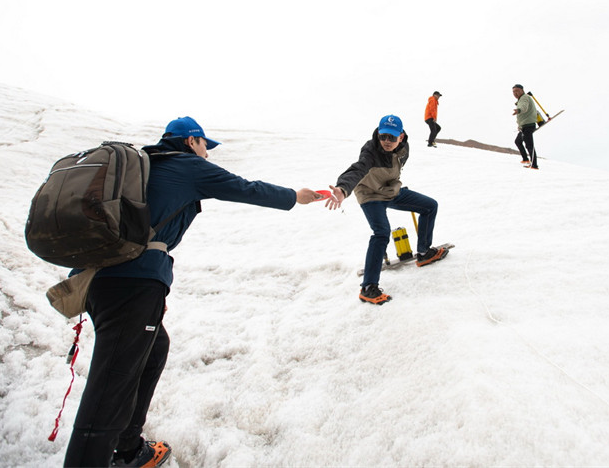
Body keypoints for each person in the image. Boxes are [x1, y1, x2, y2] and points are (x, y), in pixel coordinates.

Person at [63, 116, 320, 467]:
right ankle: (104, 457)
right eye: (204, 145)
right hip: (130, 286)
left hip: (103, 280)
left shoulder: (145, 167)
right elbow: (246, 188)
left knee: (153, 350)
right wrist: (295, 196)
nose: (207, 154)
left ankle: (128, 447)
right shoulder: (185, 166)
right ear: (189, 142)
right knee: (109, 387)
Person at [325, 114, 447, 305]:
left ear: (401, 136)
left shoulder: (404, 148)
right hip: (370, 195)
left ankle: (424, 253)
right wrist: (342, 189)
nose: (387, 141)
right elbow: (357, 170)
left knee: (430, 206)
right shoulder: (370, 151)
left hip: (390, 190)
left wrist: (394, 185)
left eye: (391, 137)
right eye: (383, 136)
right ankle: (368, 288)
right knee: (381, 232)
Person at [512, 84, 539, 169]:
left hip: (528, 125)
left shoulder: (524, 98)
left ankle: (534, 165)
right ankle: (525, 159)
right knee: (518, 141)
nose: (515, 93)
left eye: (517, 91)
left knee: (529, 145)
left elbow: (524, 107)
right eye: (513, 92)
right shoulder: (521, 99)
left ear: (522, 90)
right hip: (523, 126)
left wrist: (519, 110)